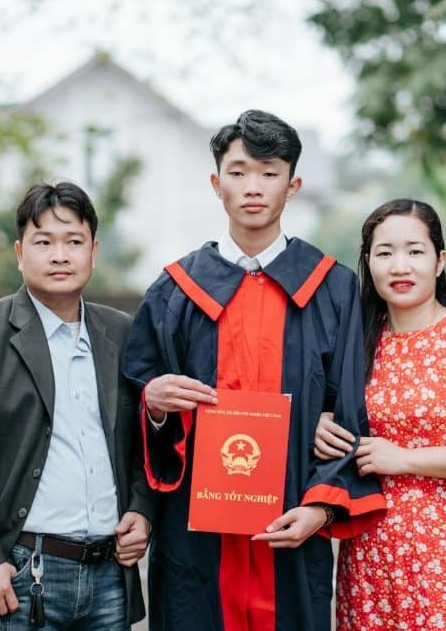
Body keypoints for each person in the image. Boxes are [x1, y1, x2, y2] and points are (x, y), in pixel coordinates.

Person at [122, 109, 387, 631]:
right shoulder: (174, 291)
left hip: (291, 524)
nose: (253, 187)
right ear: (216, 183)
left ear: (294, 185)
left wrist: (320, 509)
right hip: (197, 539)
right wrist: (154, 407)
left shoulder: (330, 289)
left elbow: (350, 412)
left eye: (270, 173)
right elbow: (137, 396)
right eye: (239, 172)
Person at [0, 181, 157, 630]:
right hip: (19, 575)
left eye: (73, 242)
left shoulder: (121, 332)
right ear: (19, 251)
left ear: (94, 251)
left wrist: (142, 511)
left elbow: (145, 439)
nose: (60, 255)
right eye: (43, 242)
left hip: (109, 578)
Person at [312, 199, 446, 630]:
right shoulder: (357, 348)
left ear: (439, 260)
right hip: (367, 554)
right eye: (385, 253)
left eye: (414, 251)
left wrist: (405, 458)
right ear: (368, 262)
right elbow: (330, 419)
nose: (399, 266)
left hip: (444, 557)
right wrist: (317, 427)